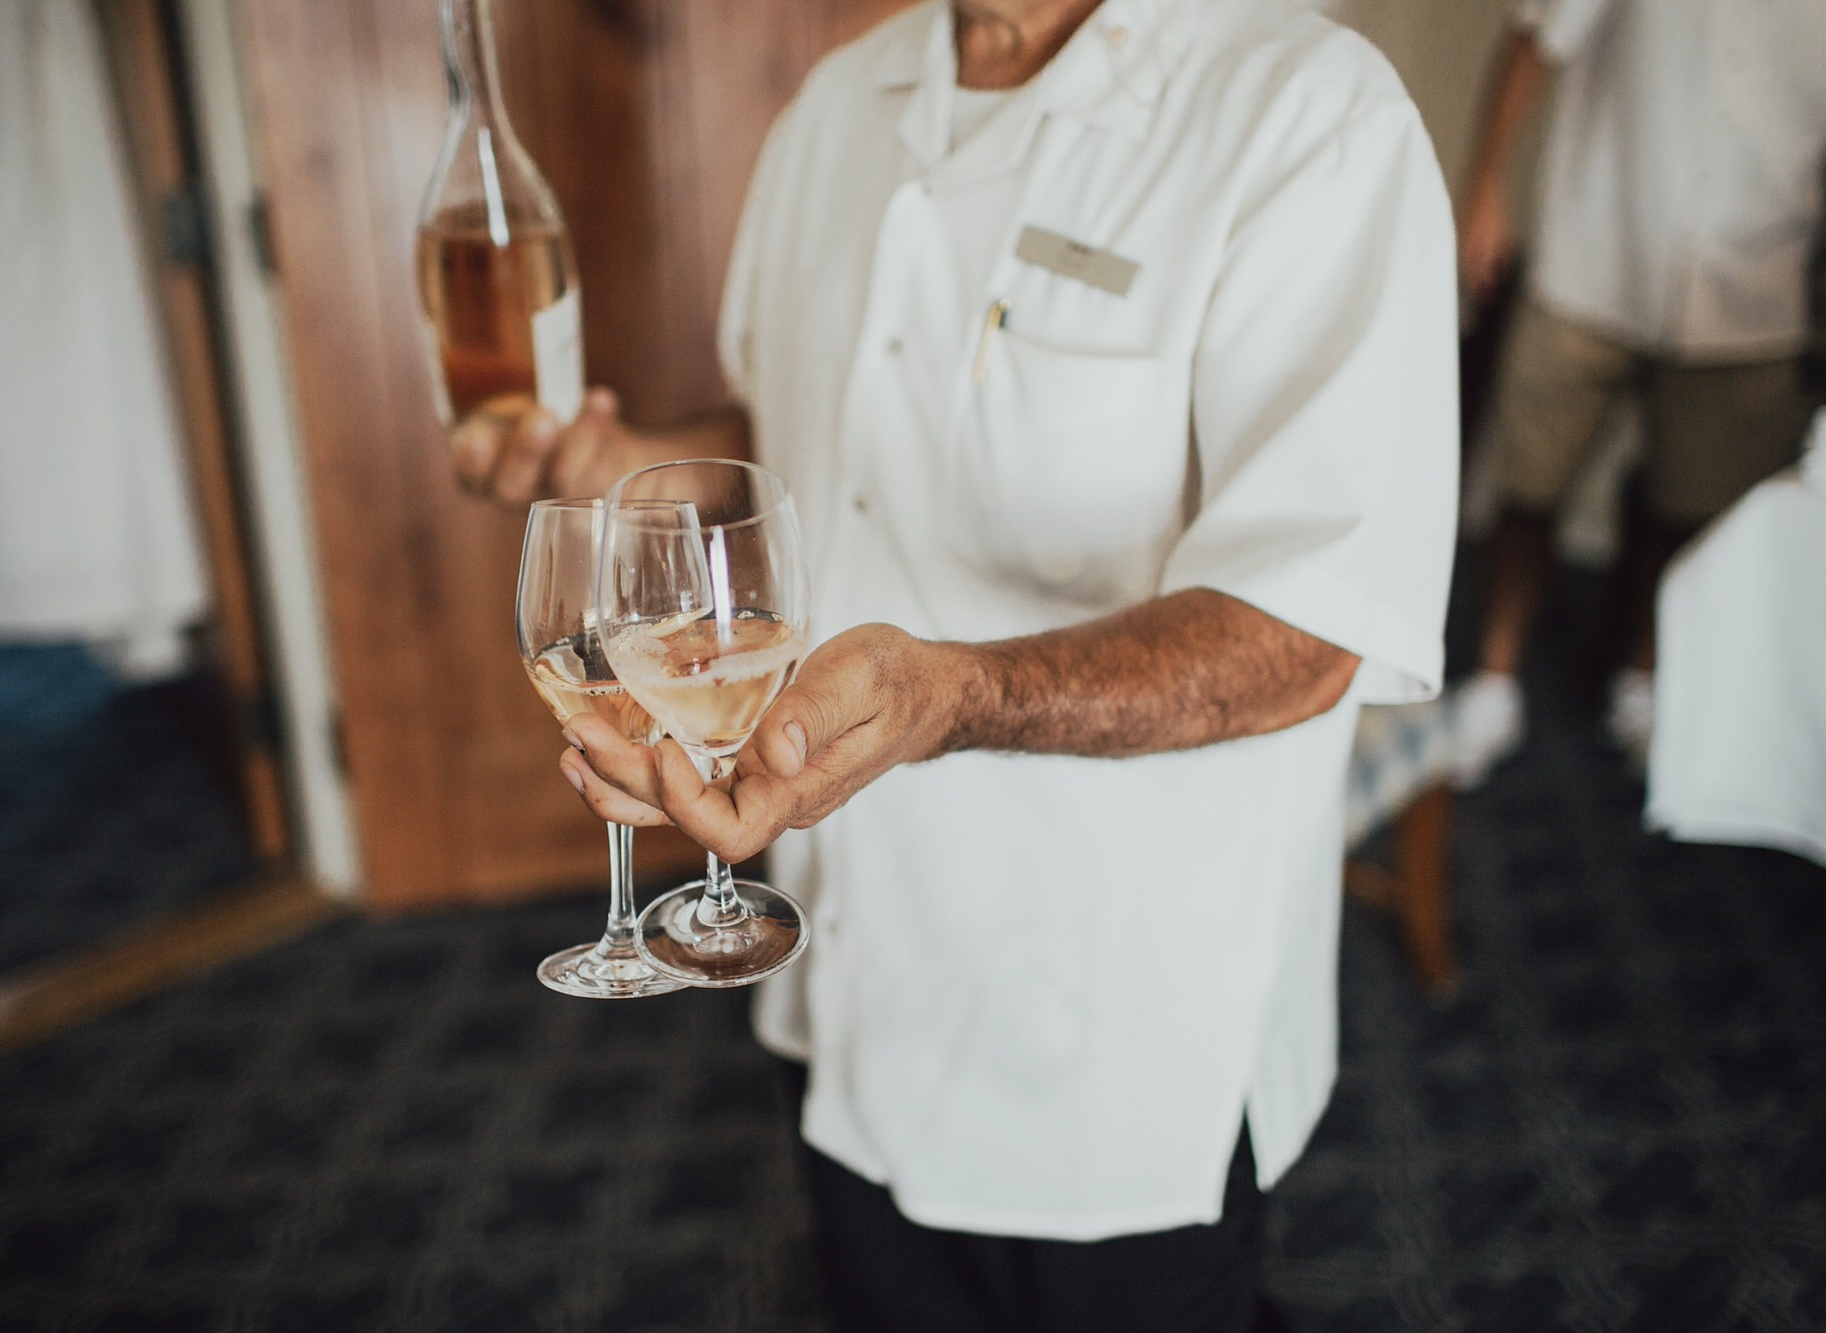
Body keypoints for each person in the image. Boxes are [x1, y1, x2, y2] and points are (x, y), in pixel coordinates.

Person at [455, 0, 1457, 1326]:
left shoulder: (1308, 114)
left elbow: (1304, 633)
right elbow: (795, 434)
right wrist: (628, 466)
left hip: (1116, 1031)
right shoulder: (835, 107)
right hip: (839, 959)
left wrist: (951, 695)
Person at [1451, 0, 1826, 785]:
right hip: (1593, 254)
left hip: (1757, 289)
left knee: (1691, 515)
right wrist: (1485, 188)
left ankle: (1645, 683)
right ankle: (1494, 676)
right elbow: (1535, 36)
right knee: (1527, 486)